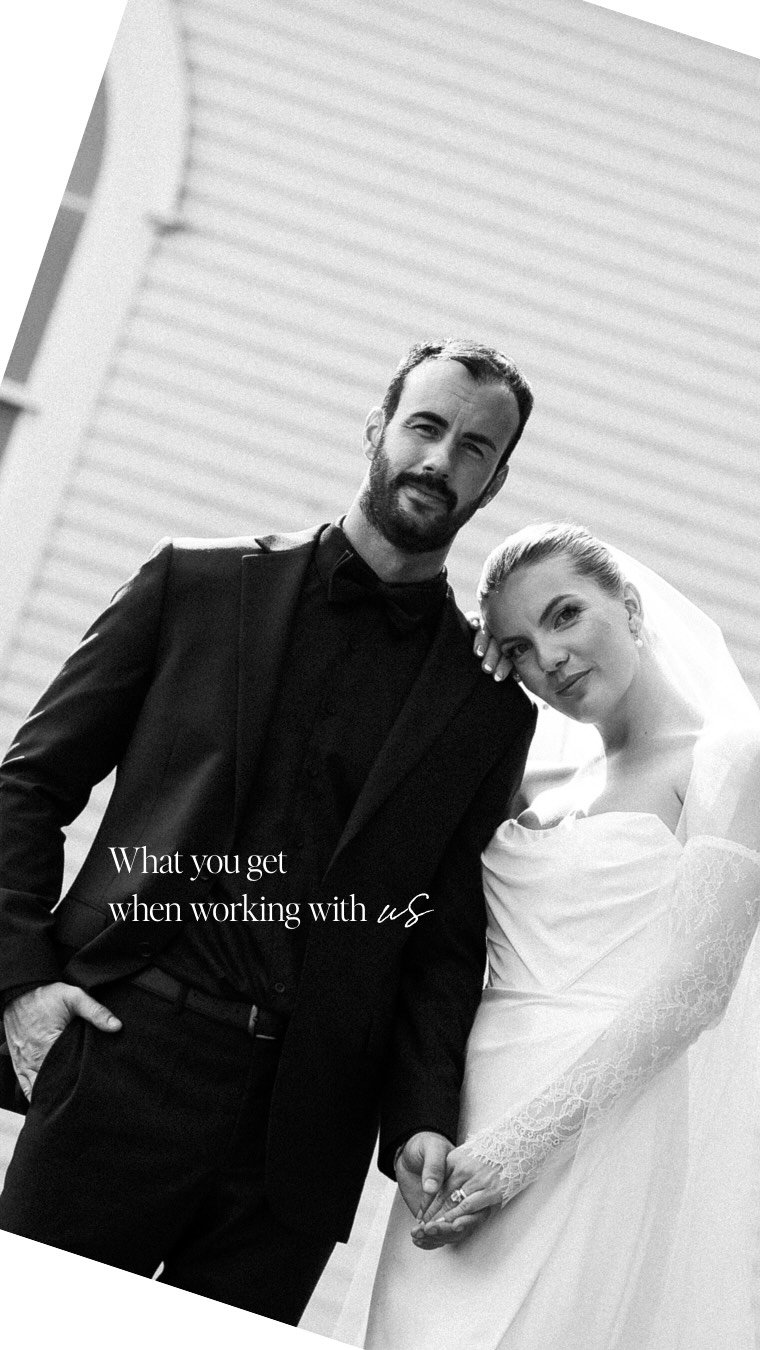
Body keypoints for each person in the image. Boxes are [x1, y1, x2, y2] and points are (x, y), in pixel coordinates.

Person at [0, 339, 537, 1326]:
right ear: (375, 430)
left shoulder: (486, 705)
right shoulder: (194, 584)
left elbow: (444, 939)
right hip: (122, 1061)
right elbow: (29, 785)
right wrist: (22, 981)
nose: (438, 460)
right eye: (424, 427)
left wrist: (422, 1116)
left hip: (304, 1131)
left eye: (473, 448)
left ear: (494, 481)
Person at [360, 522, 760, 1349]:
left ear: (631, 606)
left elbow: (696, 993)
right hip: (458, 1133)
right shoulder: (531, 780)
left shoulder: (729, 759)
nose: (550, 657)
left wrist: (516, 1151)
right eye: (517, 647)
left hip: (593, 1132)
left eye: (566, 615)